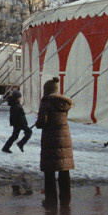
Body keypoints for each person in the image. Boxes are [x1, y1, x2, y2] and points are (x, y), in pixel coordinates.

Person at [35, 77, 74, 208]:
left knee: (49, 171)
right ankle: (65, 200)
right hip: (64, 139)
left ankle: (50, 201)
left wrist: (37, 122)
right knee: (64, 170)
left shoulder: (45, 103)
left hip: (50, 139)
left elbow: (41, 122)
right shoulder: (65, 104)